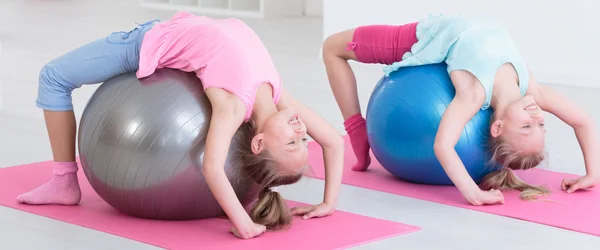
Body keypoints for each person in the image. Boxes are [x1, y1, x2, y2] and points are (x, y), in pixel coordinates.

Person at [19, 11, 344, 239]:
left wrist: (244, 224)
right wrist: (329, 203)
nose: (302, 133)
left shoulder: (232, 106)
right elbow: (333, 141)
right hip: (174, 29)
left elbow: (213, 168)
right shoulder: (280, 96)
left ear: (258, 143)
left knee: (53, 77)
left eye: (291, 142)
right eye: (304, 142)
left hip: (145, 43)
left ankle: (64, 182)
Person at [321, 14, 600, 205]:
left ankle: (356, 130)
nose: (537, 117)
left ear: (497, 127)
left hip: (423, 38)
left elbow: (442, 145)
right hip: (453, 24)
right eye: (541, 125)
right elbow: (584, 121)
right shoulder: (533, 91)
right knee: (333, 47)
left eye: (527, 126)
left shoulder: (474, 94)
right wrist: (592, 173)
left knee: (332, 47)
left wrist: (473, 194)